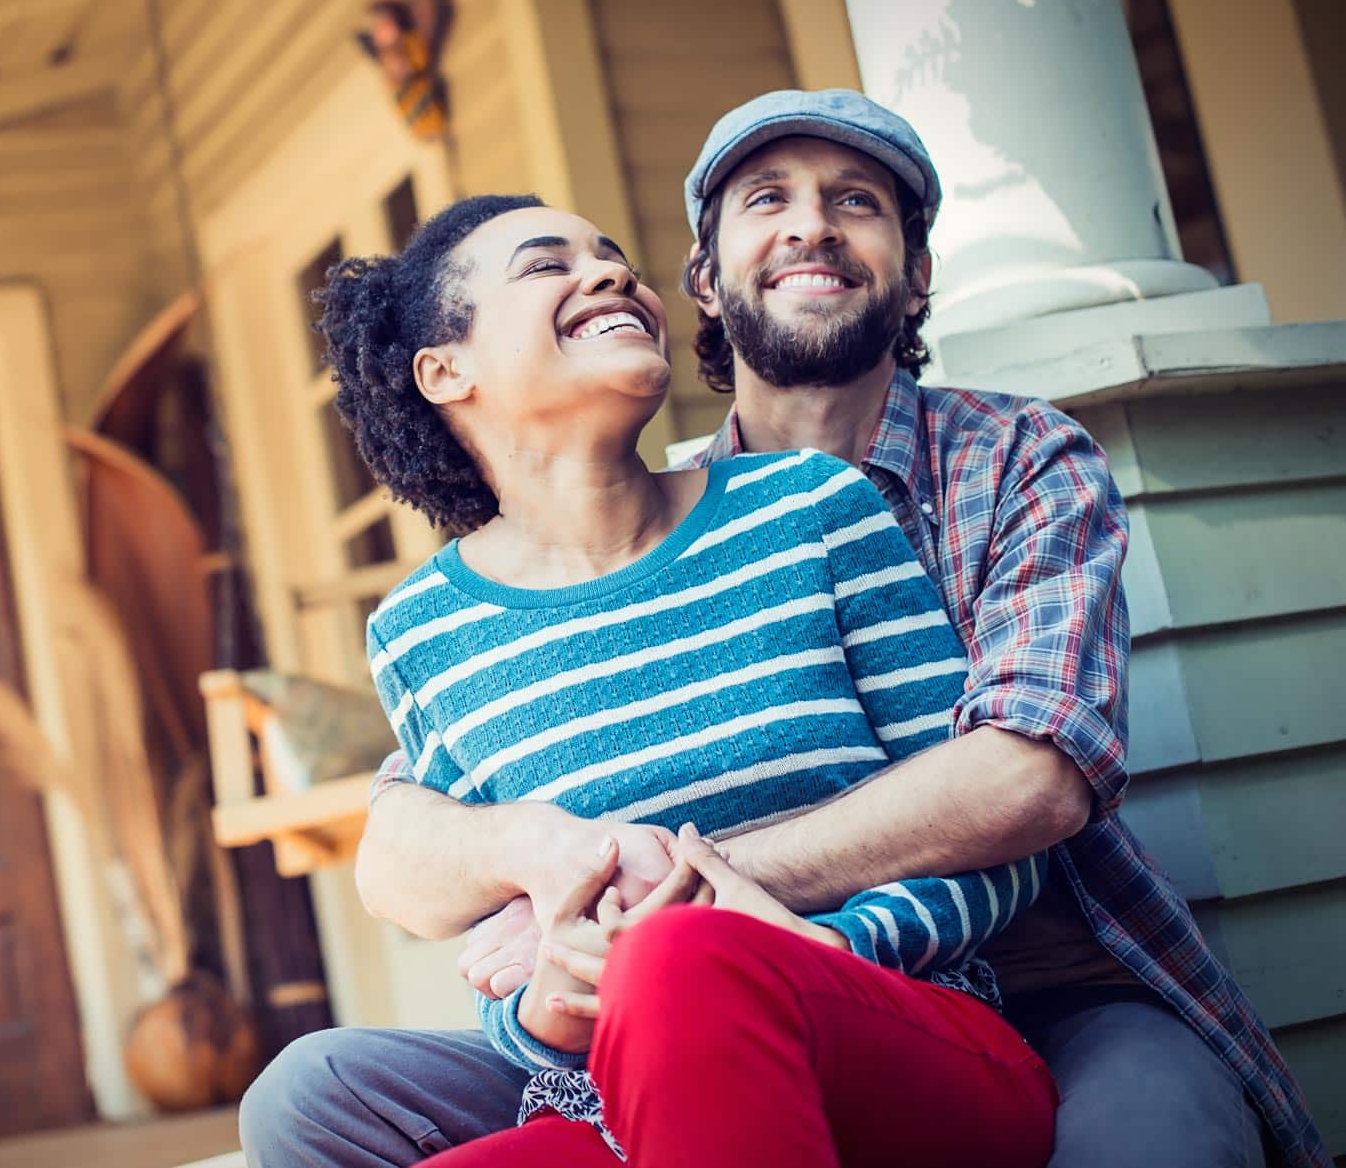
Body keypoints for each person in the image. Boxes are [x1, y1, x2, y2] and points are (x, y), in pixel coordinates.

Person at [238, 91, 1327, 1168]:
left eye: (856, 201)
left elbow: (1025, 781)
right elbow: (412, 834)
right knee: (310, 1095)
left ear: (917, 274)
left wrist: (667, 894)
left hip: (1042, 987)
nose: (812, 225)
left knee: (1151, 1142)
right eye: (768, 198)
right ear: (705, 279)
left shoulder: (1009, 461)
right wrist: (544, 896)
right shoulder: (606, 531)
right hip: (663, 1015)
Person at [287, 187, 1058, 1167]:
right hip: (621, 1097)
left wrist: (792, 949)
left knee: (678, 952)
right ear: (445, 370)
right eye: (546, 264)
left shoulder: (812, 508)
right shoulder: (421, 631)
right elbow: (512, 968)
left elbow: (993, 843)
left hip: (906, 1039)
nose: (610, 273)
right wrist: (550, 1005)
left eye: (610, 254)